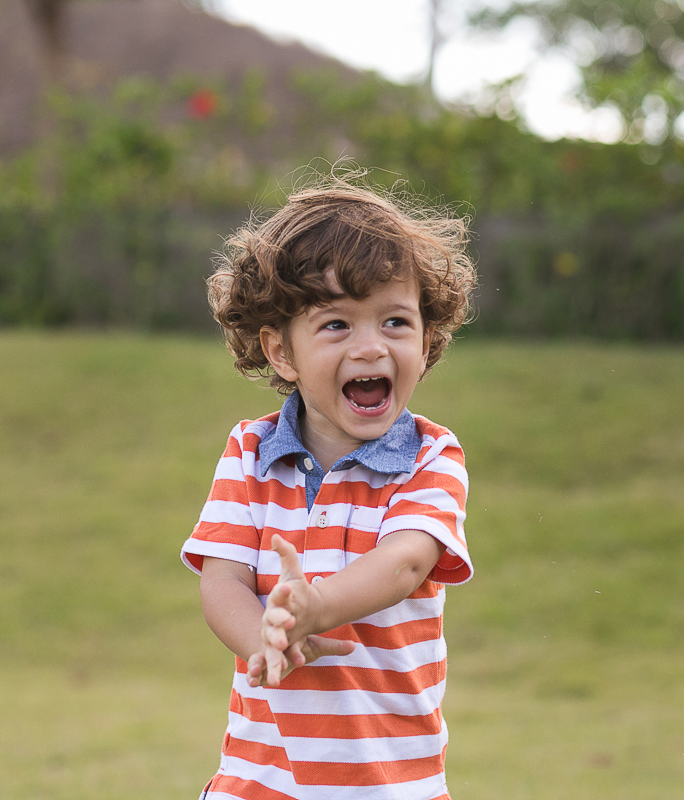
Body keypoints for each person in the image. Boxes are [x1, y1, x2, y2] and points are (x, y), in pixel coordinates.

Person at [181, 174, 477, 800]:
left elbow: (404, 564)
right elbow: (223, 579)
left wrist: (316, 608)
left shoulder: (430, 457)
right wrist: (261, 638)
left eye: (395, 322)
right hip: (259, 781)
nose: (371, 347)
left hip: (388, 784)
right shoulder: (250, 453)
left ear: (426, 343)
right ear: (281, 352)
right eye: (337, 325)